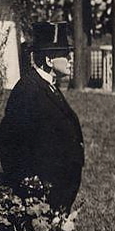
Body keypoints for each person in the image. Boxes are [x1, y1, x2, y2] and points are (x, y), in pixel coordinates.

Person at [0, 21, 83, 214]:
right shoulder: (28, 90)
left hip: (55, 192)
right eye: (65, 54)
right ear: (48, 60)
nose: (71, 59)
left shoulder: (47, 86)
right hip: (40, 197)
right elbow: (11, 143)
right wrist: (29, 188)